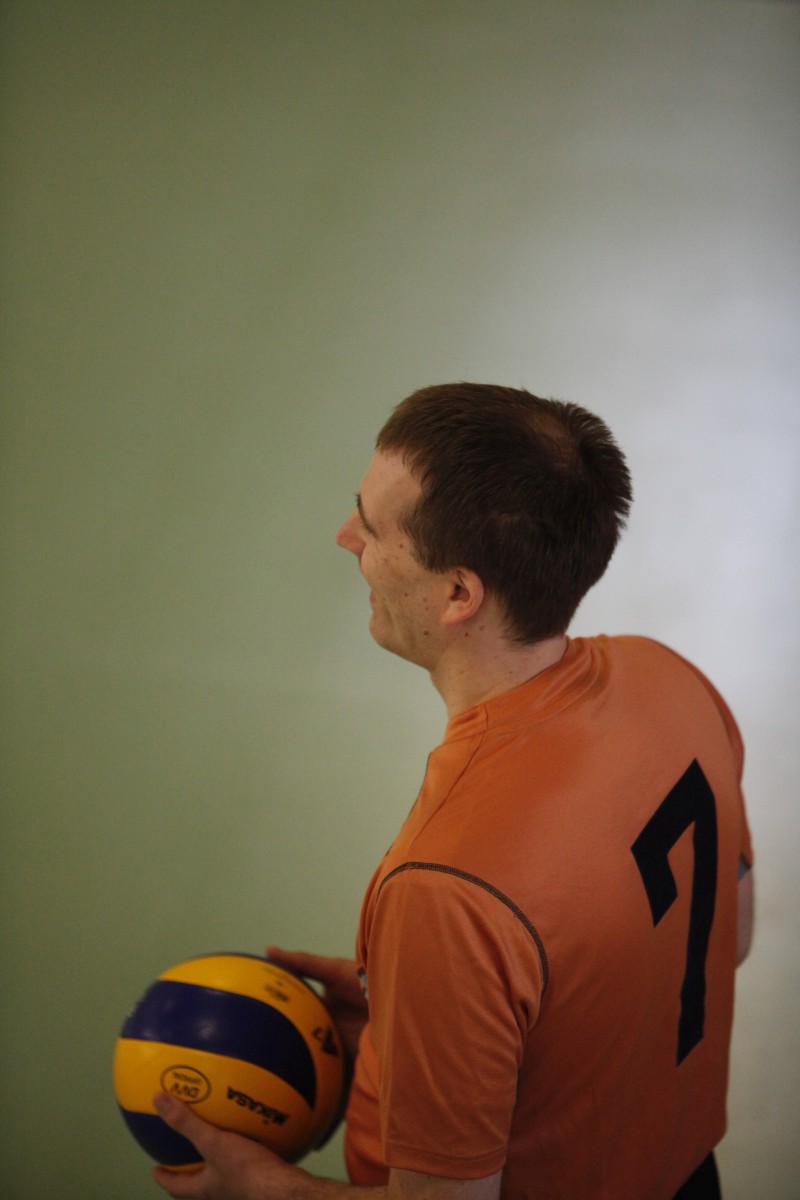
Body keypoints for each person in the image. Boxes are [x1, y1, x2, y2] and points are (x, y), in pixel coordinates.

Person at [153, 383, 754, 1200]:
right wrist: (441, 1017)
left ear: (459, 595)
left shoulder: (445, 888)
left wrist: (268, 1188)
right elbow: (725, 936)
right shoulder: (670, 679)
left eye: (371, 527)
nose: (344, 538)